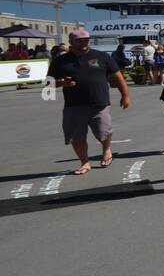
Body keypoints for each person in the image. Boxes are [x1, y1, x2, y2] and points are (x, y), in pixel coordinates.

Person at [49, 29, 130, 175]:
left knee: (104, 132)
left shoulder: (101, 56)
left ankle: (106, 150)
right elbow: (49, 84)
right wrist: (61, 83)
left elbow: (117, 76)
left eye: (86, 40)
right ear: (71, 42)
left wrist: (125, 95)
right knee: (76, 137)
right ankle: (84, 162)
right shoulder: (60, 61)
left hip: (99, 103)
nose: (83, 43)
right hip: (73, 105)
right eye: (79, 41)